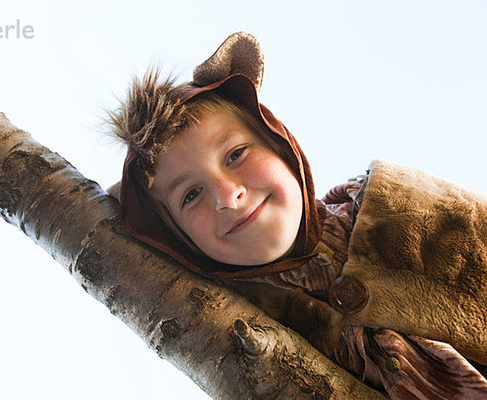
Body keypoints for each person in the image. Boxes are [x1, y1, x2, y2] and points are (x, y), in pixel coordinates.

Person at [107, 32, 487, 399]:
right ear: (181, 242)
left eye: (236, 154)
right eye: (191, 195)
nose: (228, 195)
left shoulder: (395, 203)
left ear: (283, 150)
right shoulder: (245, 332)